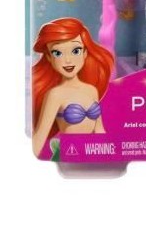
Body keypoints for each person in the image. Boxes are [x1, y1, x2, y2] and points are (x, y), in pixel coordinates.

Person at [32, 18, 114, 157]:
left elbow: (99, 129)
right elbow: (40, 136)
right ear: (49, 58)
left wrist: (109, 153)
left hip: (91, 152)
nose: (68, 60)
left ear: (85, 52)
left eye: (76, 51)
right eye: (57, 53)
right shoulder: (56, 94)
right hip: (68, 153)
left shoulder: (91, 90)